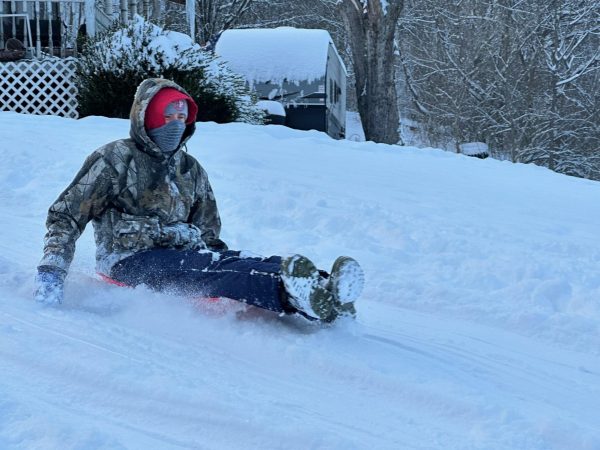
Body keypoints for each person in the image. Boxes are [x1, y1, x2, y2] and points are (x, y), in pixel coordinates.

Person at [34, 78, 364, 322]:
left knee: (232, 261)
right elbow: (67, 215)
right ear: (147, 116)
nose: (177, 123)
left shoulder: (190, 169)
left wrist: (222, 256)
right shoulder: (114, 159)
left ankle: (322, 285)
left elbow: (207, 232)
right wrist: (52, 269)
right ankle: (294, 295)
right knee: (210, 271)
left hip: (183, 252)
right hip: (128, 260)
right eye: (169, 115)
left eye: (182, 116)